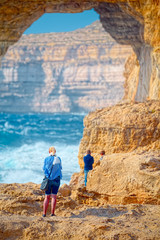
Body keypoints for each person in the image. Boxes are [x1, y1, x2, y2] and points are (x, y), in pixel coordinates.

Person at [42, 146, 62, 217]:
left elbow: (44, 169)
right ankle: (52, 213)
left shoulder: (46, 159)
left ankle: (44, 214)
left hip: (48, 179)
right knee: (54, 196)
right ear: (55, 151)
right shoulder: (58, 158)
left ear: (49, 151)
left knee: (47, 197)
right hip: (56, 179)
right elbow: (60, 168)